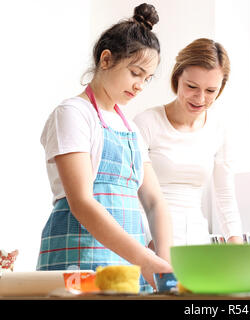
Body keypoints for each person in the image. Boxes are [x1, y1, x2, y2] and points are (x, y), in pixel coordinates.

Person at [37, 3, 172, 292]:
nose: (140, 87)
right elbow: (82, 202)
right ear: (106, 59)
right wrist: (145, 258)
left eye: (147, 79)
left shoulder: (131, 128)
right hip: (79, 255)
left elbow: (154, 201)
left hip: (129, 261)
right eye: (136, 73)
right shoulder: (73, 114)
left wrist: (164, 260)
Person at [134, 38, 243, 246]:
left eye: (211, 91)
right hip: (150, 241)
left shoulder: (219, 130)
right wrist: (149, 242)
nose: (200, 98)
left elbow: (225, 195)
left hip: (196, 242)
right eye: (192, 86)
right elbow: (131, 193)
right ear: (177, 78)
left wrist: (236, 244)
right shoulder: (146, 123)